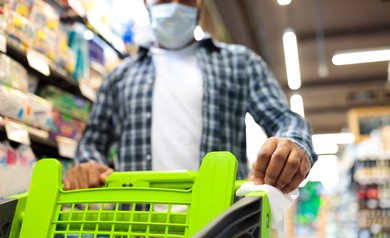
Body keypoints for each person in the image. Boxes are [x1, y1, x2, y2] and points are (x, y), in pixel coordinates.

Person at [64, 0, 318, 195]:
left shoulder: (240, 63)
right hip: (137, 234)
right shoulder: (119, 77)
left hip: (220, 233)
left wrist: (293, 144)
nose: (174, 5)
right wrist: (89, 164)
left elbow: (285, 119)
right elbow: (92, 142)